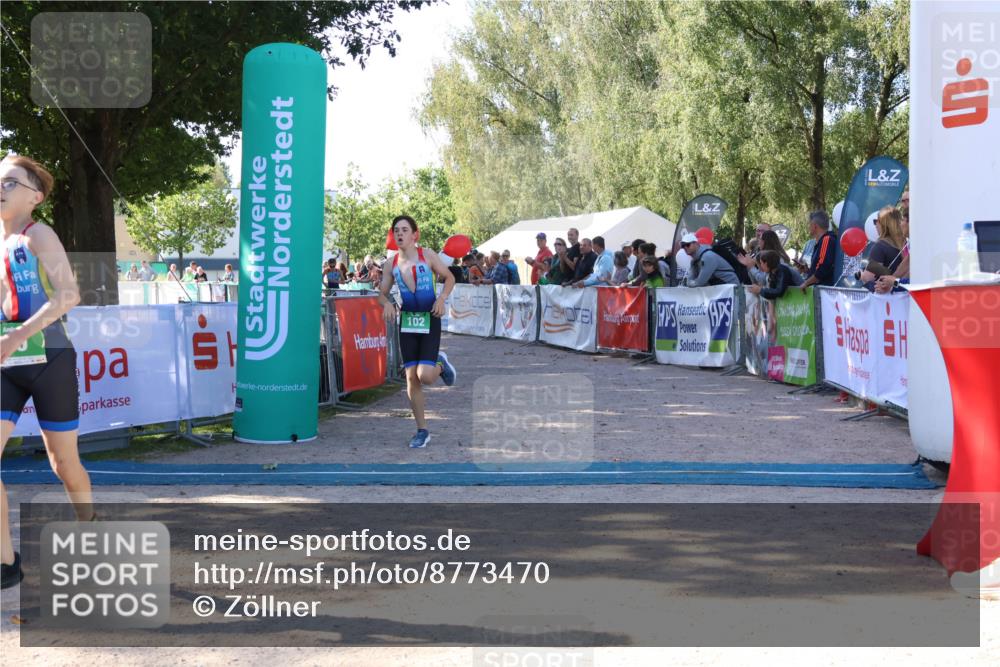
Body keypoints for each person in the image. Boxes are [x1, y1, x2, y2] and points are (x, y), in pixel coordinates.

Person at [1, 155, 94, 589]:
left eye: (9, 182)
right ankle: (6, 563)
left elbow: (69, 294)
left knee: (63, 462)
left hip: (49, 357)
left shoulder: (37, 233)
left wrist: (17, 335)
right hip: (4, 365)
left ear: (34, 197)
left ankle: (88, 525)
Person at [377, 215, 457, 449]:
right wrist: (388, 304)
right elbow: (381, 293)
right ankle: (422, 430)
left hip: (430, 319)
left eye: (404, 230)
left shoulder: (427, 256)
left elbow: (450, 277)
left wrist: (442, 298)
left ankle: (440, 364)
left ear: (414, 234)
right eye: (396, 230)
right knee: (411, 377)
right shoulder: (390, 264)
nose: (399, 234)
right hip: (408, 323)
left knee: (426, 376)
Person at [800, 210, 838, 292]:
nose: (808, 227)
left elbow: (822, 269)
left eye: (809, 224)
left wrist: (806, 283)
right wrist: (808, 270)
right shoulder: (823, 241)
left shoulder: (826, 239)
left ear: (814, 226)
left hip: (823, 291)